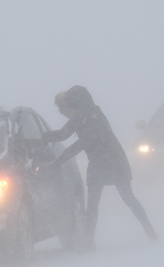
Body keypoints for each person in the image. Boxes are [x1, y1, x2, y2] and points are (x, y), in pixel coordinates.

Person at [42, 85, 158, 249]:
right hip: (105, 161)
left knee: (115, 200)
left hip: (110, 161)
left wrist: (59, 161)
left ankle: (146, 229)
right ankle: (91, 240)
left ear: (73, 104)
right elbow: (63, 135)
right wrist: (42, 137)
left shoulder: (91, 117)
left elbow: (81, 142)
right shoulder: (84, 115)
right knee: (108, 201)